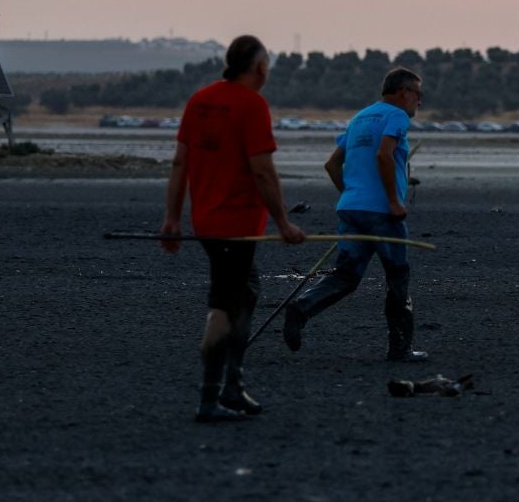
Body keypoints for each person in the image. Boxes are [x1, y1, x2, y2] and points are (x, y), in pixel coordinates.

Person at [160, 35, 305, 423]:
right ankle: (211, 397)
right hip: (236, 228)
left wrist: (173, 218)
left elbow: (179, 164)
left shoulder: (200, 100)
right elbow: (262, 170)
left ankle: (232, 385)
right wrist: (284, 223)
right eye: (268, 66)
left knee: (248, 291)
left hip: (206, 223)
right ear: (259, 68)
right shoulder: (252, 105)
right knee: (225, 305)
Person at [284, 67, 423, 358]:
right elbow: (383, 155)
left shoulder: (360, 117)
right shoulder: (395, 116)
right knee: (397, 276)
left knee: (345, 276)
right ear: (403, 93)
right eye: (418, 95)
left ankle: (301, 308)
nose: (419, 102)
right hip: (384, 214)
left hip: (352, 209)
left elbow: (332, 165)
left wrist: (351, 195)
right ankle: (401, 348)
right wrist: (394, 203)